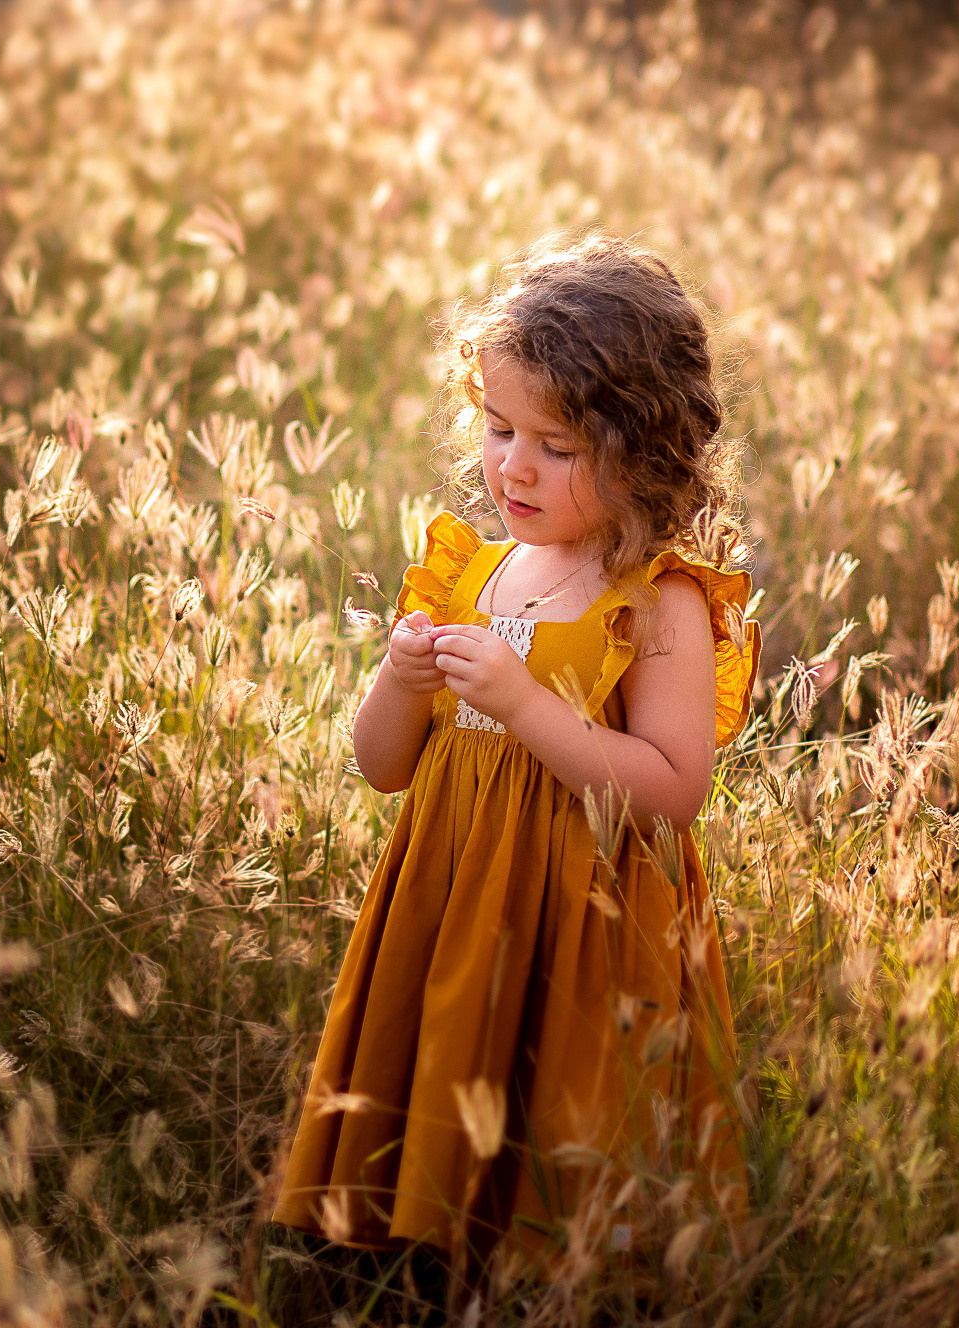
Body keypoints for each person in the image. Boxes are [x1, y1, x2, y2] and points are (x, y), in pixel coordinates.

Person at [271, 233, 760, 1276]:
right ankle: (413, 1256)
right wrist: (402, 680)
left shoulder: (659, 598)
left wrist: (523, 702)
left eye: (558, 445)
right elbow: (380, 764)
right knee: (437, 1084)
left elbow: (672, 791)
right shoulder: (469, 570)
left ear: (646, 449)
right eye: (496, 428)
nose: (513, 465)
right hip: (448, 906)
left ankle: (556, 1274)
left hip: (579, 921)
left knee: (560, 1117)